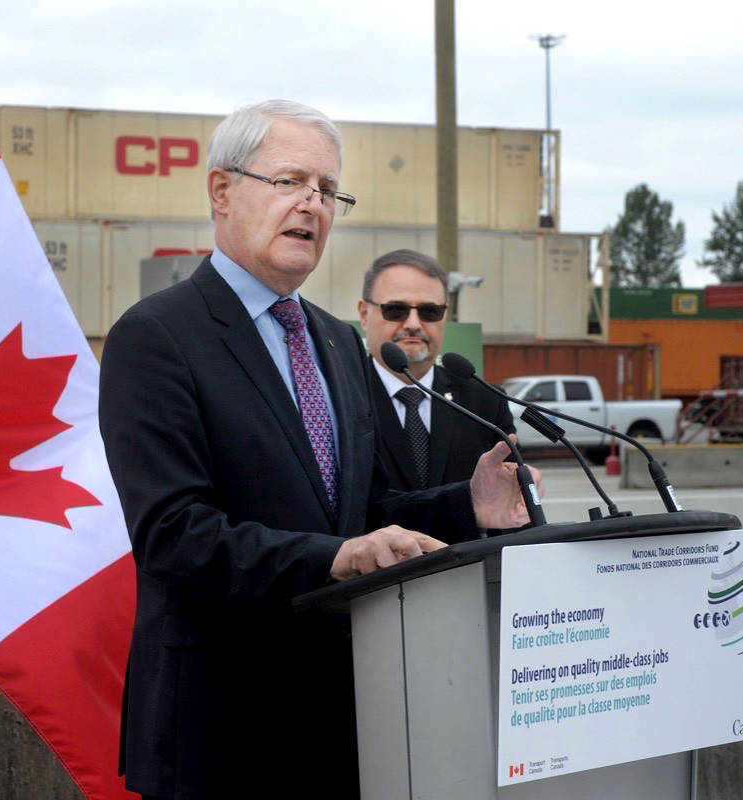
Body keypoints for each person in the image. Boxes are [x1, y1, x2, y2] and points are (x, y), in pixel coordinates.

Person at [98, 99, 535, 800]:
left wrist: (468, 505)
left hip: (348, 723)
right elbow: (173, 534)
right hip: (223, 732)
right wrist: (332, 557)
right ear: (221, 190)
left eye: (328, 190)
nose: (313, 205)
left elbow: (363, 508)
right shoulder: (157, 337)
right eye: (290, 182)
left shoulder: (336, 340)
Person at [358, 249, 516, 491]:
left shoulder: (486, 404)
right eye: (395, 310)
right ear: (364, 314)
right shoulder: (337, 400)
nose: (413, 324)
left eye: (429, 311)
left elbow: (509, 510)